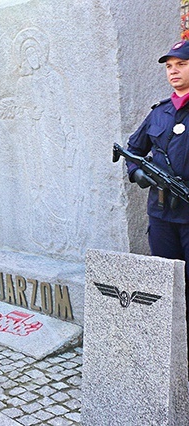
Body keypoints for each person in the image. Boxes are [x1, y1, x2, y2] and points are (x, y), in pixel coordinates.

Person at [126, 40, 189, 375]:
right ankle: (170, 349)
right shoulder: (158, 112)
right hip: (162, 215)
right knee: (165, 279)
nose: (174, 71)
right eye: (169, 66)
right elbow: (132, 149)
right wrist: (138, 173)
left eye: (181, 64)